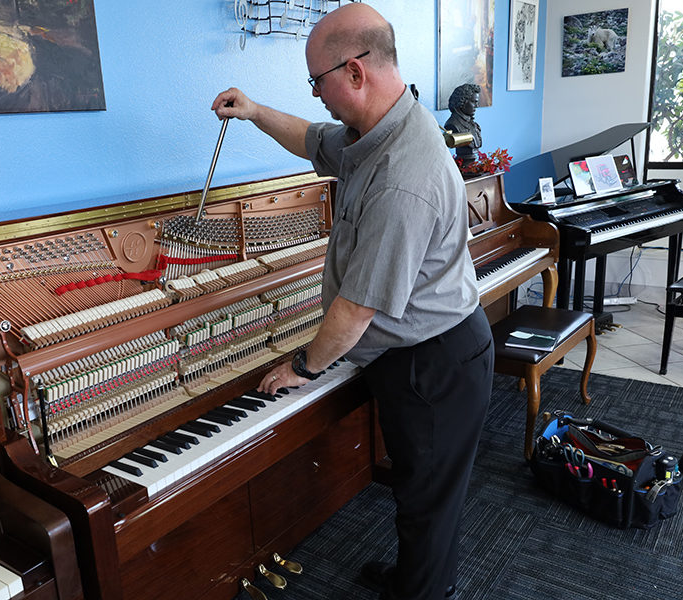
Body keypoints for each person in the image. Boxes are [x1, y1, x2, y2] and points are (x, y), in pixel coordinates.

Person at [211, 4, 493, 600]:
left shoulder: (401, 177)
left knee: (428, 501)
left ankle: (422, 591)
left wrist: (302, 366)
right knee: (420, 489)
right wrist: (255, 111)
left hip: (434, 362)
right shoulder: (375, 131)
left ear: (356, 72)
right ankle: (415, 574)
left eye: (317, 81)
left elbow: (357, 310)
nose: (315, 95)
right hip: (416, 352)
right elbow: (314, 141)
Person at [443, 83, 482, 164]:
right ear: (462, 101)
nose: (477, 106)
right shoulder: (452, 124)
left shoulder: (474, 125)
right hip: (463, 165)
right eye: (474, 102)